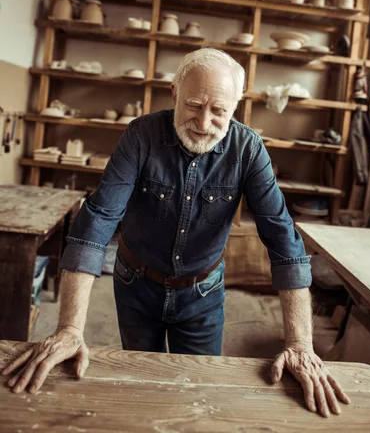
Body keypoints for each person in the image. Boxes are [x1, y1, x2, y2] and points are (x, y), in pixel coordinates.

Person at [2, 48, 350, 417]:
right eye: (194, 105)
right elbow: (98, 220)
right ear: (174, 95)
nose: (204, 122)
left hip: (203, 292)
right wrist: (69, 328)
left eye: (219, 111)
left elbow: (283, 239)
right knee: (143, 385)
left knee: (198, 394)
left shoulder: (248, 149)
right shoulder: (140, 136)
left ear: (237, 106)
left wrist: (300, 343)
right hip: (135, 283)